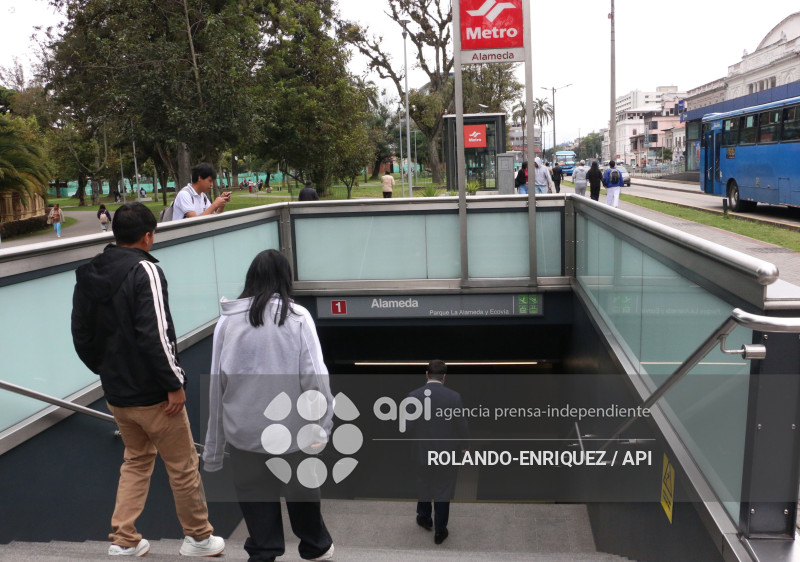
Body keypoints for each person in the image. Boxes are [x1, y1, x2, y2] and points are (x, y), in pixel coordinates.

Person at [70, 202, 225, 558]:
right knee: (183, 465)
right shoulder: (145, 271)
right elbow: (156, 333)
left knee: (137, 460)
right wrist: (174, 383)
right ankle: (199, 537)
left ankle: (124, 540)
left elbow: (81, 334)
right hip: (155, 395)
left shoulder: (89, 272)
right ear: (148, 236)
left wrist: (106, 370)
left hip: (118, 392)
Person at [203, 249, 335, 562]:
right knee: (303, 496)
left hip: (244, 435)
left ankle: (264, 551)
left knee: (257, 511)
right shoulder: (298, 318)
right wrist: (323, 427)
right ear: (284, 279)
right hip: (293, 434)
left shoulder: (227, 324)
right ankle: (315, 547)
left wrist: (212, 451)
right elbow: (315, 379)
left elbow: (216, 388)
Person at [408, 360, 469, 546]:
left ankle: (425, 518)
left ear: (427, 374)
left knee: (424, 484)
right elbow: (461, 425)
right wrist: (464, 445)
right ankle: (440, 531)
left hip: (422, 451)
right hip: (446, 454)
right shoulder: (454, 397)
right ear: (444, 376)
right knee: (443, 489)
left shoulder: (414, 396)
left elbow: (408, 427)